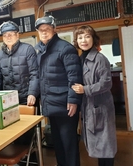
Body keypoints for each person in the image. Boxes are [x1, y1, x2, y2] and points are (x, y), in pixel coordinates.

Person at [34, 15, 83, 166]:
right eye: (41, 30)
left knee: (69, 144)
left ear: (54, 29)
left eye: (47, 29)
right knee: (58, 143)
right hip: (50, 105)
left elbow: (74, 77)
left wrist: (73, 100)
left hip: (65, 105)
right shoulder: (40, 50)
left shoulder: (65, 48)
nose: (44, 32)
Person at [72, 25, 117, 166]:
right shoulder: (80, 58)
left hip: (101, 106)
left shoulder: (99, 58)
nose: (83, 40)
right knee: (98, 144)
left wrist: (85, 89)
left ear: (93, 39)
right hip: (89, 106)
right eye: (80, 37)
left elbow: (106, 83)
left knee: (105, 144)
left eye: (87, 36)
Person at [0, 20, 39, 106]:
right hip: (8, 98)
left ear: (17, 35)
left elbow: (34, 74)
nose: (8, 37)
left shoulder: (27, 49)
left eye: (10, 35)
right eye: (5, 35)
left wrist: (32, 93)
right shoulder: (0, 53)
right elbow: (0, 77)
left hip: (26, 97)